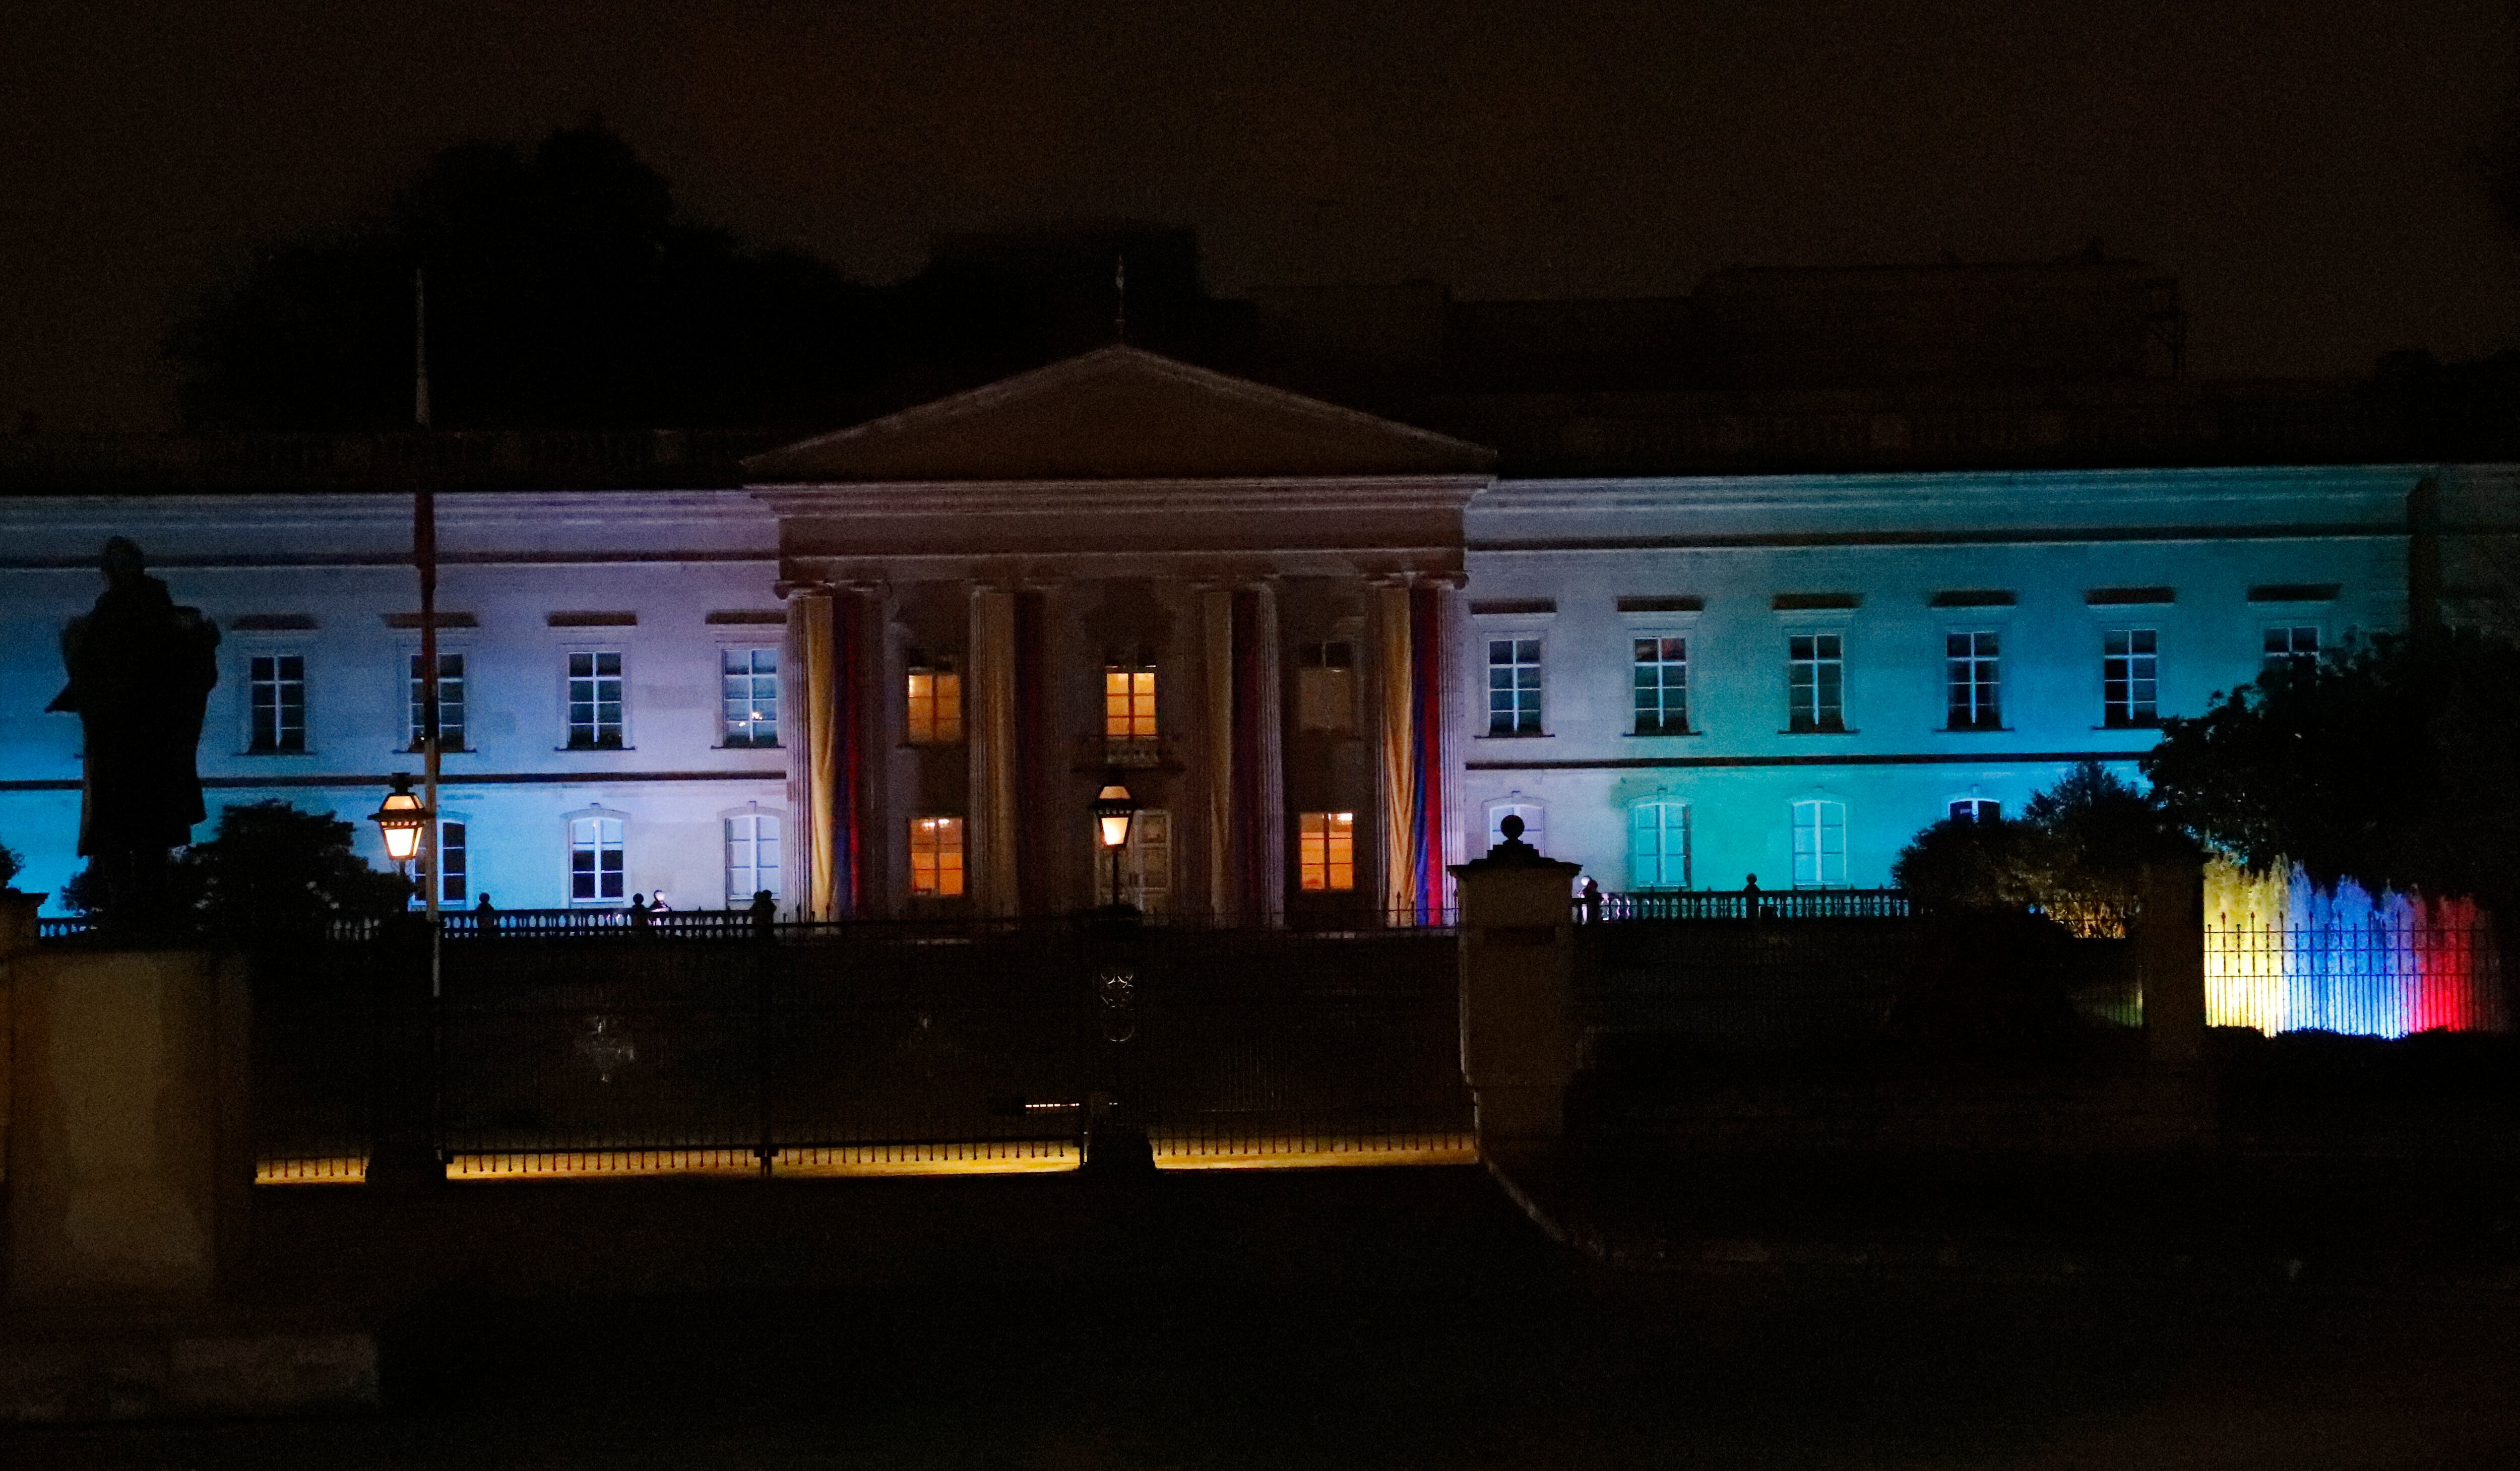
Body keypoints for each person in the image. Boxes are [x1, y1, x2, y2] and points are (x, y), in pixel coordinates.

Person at [46, 538, 220, 926]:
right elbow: (87, 668)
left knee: (145, 831)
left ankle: (144, 905)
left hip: (149, 738)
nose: (119, 572)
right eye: (115, 565)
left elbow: (194, 671)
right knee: (117, 830)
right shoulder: (111, 615)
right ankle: (127, 904)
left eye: (125, 564)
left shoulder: (154, 611)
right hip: (119, 737)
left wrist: (200, 639)